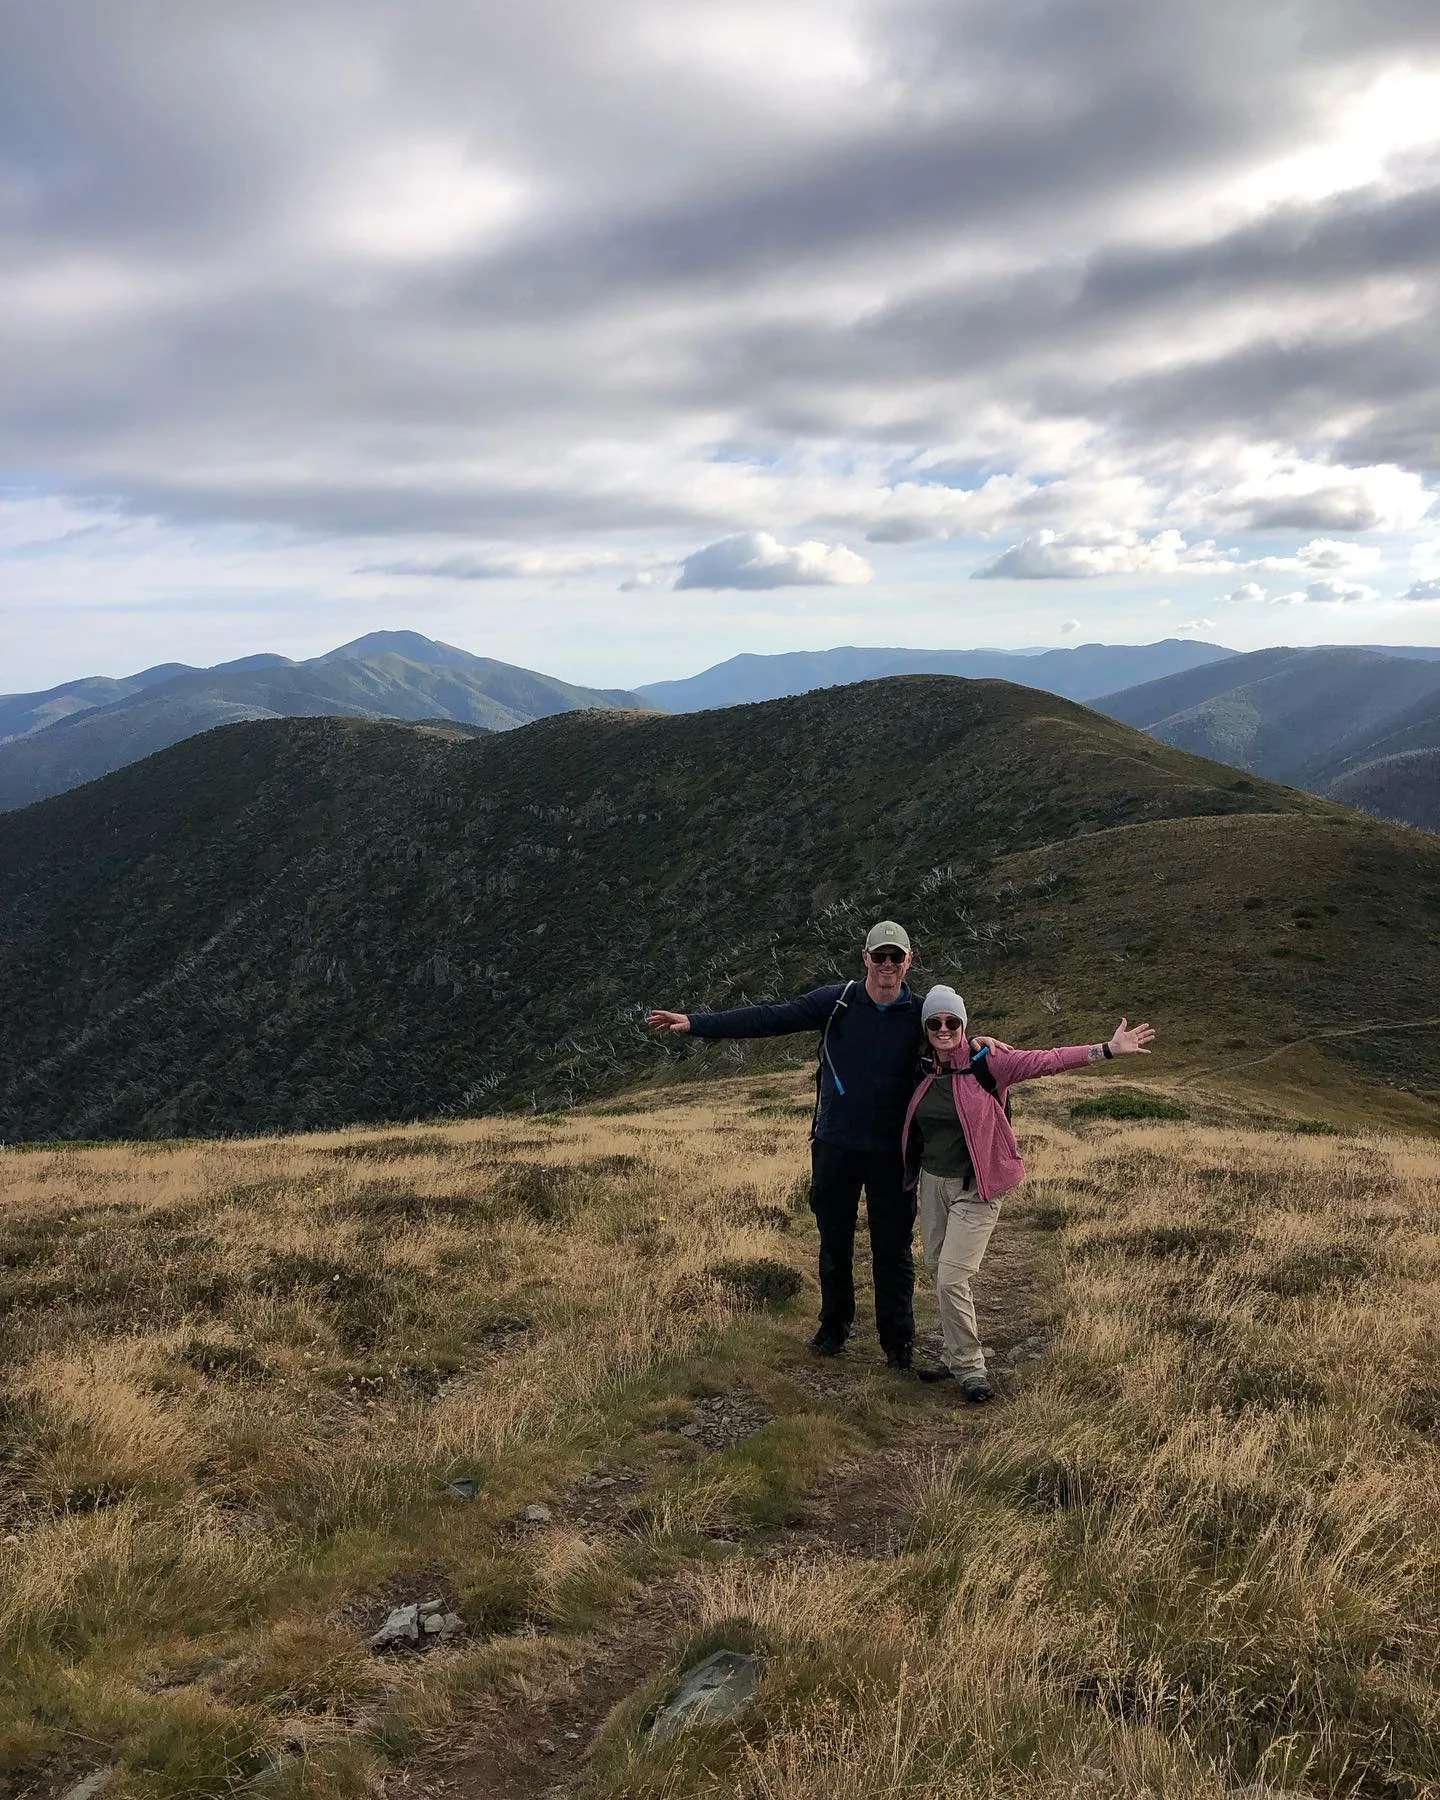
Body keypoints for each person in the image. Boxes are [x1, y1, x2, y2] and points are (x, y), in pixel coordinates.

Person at [646, 921, 1006, 1370]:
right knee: (833, 1241)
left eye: (897, 956)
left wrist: (982, 1045)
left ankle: (898, 1344)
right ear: (866, 958)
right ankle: (833, 1329)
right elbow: (770, 1018)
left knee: (891, 1249)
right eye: (880, 956)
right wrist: (696, 1023)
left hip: (893, 1154)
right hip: (834, 1146)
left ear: (909, 960)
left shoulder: (918, 1015)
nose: (888, 965)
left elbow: (950, 1040)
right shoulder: (836, 1002)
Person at [902, 984, 1155, 1402]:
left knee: (951, 1278)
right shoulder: (920, 1066)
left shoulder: (989, 1062)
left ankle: (970, 1369)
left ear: (964, 1025)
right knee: (938, 1271)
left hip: (976, 1189)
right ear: (925, 1027)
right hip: (932, 1185)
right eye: (935, 1022)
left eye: (952, 1022)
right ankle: (952, 1352)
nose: (944, 1029)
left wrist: (1107, 1050)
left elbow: (1047, 1061)